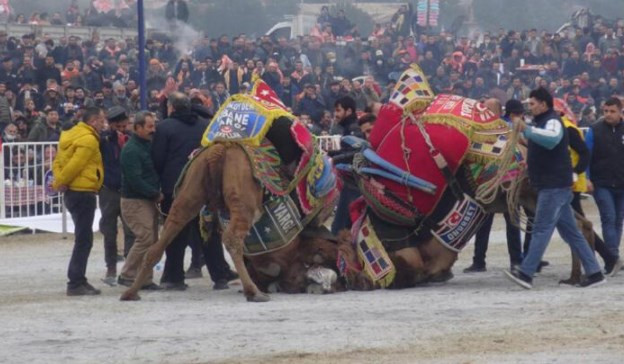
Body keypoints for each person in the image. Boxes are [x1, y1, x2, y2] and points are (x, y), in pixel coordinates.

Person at [504, 87, 605, 289]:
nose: (530, 108)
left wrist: (526, 129)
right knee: (571, 233)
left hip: (553, 186)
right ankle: (594, 272)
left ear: (543, 104)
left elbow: (551, 140)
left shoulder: (552, 121)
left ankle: (526, 272)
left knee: (541, 229)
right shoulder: (544, 122)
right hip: (554, 185)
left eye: (532, 104)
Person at [464, 99, 525, 273]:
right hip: (487, 184)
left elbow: (520, 149)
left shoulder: (509, 128)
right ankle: (479, 261)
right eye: (483, 108)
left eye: (489, 109)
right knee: (482, 224)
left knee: (513, 222)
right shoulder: (478, 130)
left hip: (509, 182)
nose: (485, 111)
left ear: (498, 111)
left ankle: (516, 261)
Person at [52, 107, 106, 296]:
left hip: (73, 192)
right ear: (93, 121)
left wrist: (59, 180)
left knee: (83, 238)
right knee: (84, 240)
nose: (103, 123)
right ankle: (76, 282)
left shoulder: (69, 136)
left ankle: (78, 280)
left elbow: (58, 162)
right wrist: (61, 182)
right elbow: (76, 164)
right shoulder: (89, 139)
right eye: (101, 120)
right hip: (83, 192)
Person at [117, 111, 162, 290]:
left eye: (154, 126)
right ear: (137, 128)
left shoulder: (145, 146)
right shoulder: (131, 150)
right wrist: (154, 193)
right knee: (145, 238)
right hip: (135, 201)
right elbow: (134, 180)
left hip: (146, 199)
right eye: (149, 126)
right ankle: (128, 274)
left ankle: (145, 278)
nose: (153, 130)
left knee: (151, 240)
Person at [585, 97, 624, 275]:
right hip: (601, 183)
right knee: (609, 218)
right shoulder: (594, 130)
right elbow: (587, 156)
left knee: (618, 220)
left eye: (612, 111)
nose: (608, 115)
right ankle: (613, 258)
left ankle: (612, 258)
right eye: (605, 111)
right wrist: (586, 178)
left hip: (622, 182)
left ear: (620, 111)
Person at [99, 107, 135, 284]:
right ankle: (111, 268)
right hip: (109, 189)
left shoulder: (132, 138)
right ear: (112, 125)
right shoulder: (104, 139)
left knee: (131, 230)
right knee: (109, 230)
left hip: (127, 189)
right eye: (117, 125)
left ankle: (129, 268)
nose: (121, 128)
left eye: (123, 125)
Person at [330, 96, 363, 235]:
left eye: (338, 110)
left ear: (348, 111)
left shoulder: (354, 128)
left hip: (354, 183)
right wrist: (332, 153)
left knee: (341, 227)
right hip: (351, 182)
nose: (335, 115)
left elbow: (356, 152)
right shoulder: (349, 127)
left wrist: (334, 159)